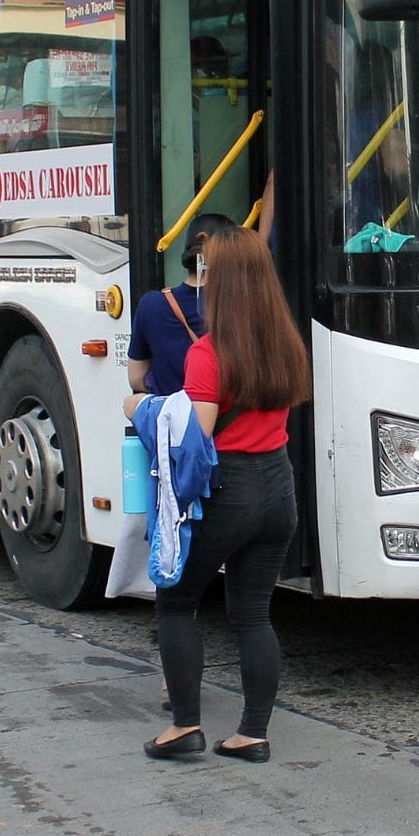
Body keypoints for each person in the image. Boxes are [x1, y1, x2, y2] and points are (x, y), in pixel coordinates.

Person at [132, 223, 305, 763]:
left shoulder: (210, 353)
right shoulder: (285, 343)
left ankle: (185, 726)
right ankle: (252, 733)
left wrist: (140, 409)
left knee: (177, 602)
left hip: (227, 490)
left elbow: (194, 432)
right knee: (253, 614)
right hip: (279, 486)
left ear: (221, 282)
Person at [129, 213, 232, 398]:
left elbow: (136, 378)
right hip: (224, 420)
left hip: (174, 423)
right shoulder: (239, 304)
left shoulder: (151, 305)